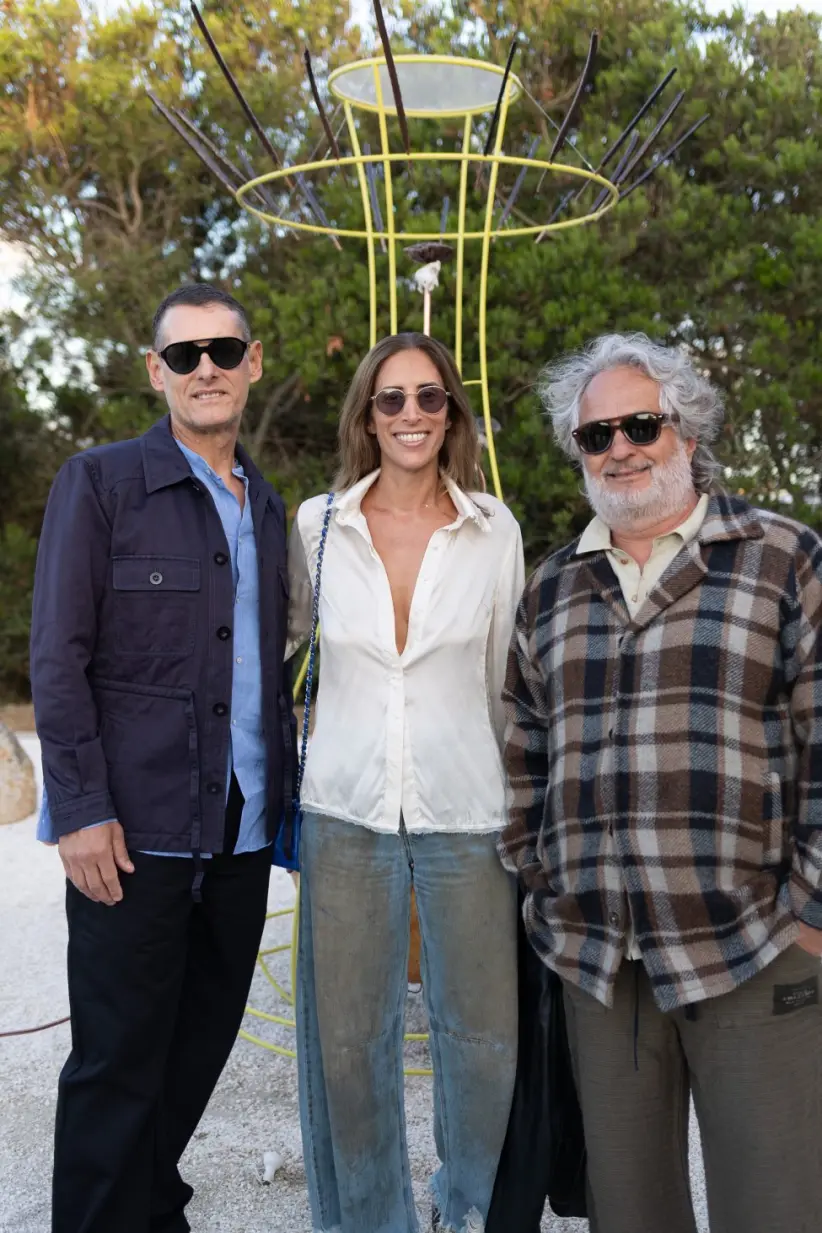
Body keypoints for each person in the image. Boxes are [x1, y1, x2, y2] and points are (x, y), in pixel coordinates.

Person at [499, 332, 822, 1233]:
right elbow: (525, 743)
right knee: (629, 1214)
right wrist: (540, 877)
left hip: (752, 946)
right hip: (599, 962)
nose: (620, 448)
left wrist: (814, 910)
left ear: (685, 428)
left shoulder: (784, 558)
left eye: (640, 423)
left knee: (777, 1208)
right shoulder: (552, 589)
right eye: (596, 435)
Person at [30, 284, 293, 1233]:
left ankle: (146, 1205)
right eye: (184, 355)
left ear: (253, 362)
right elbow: (58, 658)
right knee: (114, 1064)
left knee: (198, 1048)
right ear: (157, 373)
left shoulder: (267, 508)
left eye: (224, 350)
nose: (206, 368)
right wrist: (81, 807)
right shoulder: (99, 485)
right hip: (131, 834)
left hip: (242, 830)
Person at [288, 332, 523, 1233]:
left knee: (484, 1043)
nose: (412, 415)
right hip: (344, 807)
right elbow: (288, 646)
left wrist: (521, 809)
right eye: (392, 400)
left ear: (452, 413)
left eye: (430, 398)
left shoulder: (494, 528)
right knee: (350, 1047)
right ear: (367, 416)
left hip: (468, 808)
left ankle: (463, 1207)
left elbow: (506, 673)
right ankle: (371, 1219)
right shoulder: (317, 524)